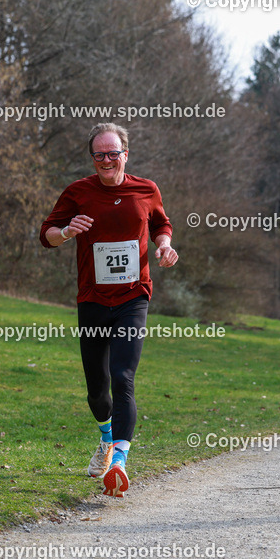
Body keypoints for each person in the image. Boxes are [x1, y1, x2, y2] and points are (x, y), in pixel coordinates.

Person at [40, 123, 178, 497]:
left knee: (123, 375)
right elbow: (46, 234)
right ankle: (105, 438)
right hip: (93, 300)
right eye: (99, 154)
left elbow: (161, 224)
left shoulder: (146, 189)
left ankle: (118, 462)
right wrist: (68, 231)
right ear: (92, 158)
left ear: (125, 154)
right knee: (97, 392)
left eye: (112, 153)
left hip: (134, 297)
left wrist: (164, 246)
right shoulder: (78, 192)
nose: (105, 160)